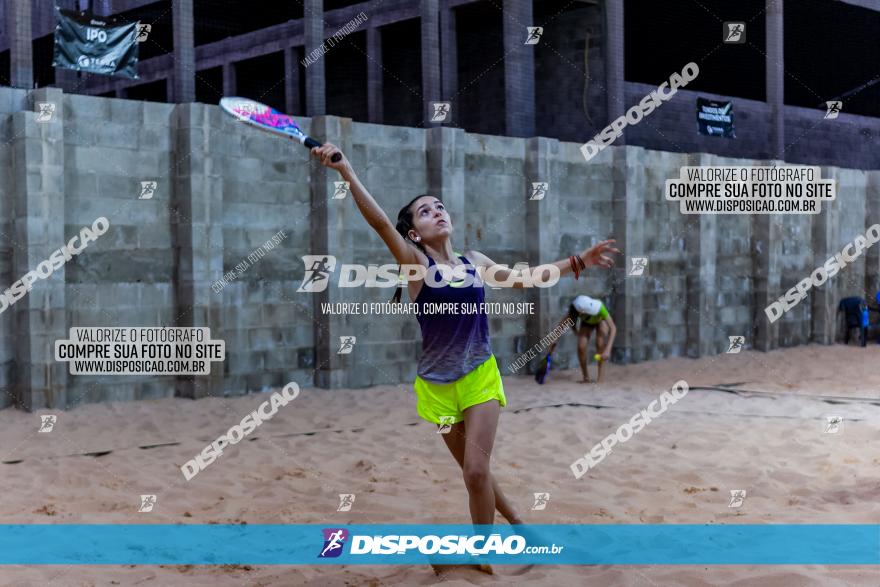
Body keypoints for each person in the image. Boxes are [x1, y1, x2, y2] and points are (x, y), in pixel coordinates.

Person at [311, 143, 618, 546]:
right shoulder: (417, 264)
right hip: (436, 390)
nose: (437, 211)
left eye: (439, 206)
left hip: (479, 376)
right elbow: (382, 223)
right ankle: (518, 524)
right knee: (477, 474)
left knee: (475, 471)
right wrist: (347, 173)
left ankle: (483, 553)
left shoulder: (475, 260)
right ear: (414, 233)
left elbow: (527, 278)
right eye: (425, 211)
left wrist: (577, 261)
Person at [548, 295, 616, 383]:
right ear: (580, 313)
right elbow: (559, 329)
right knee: (581, 345)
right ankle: (586, 378)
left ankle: (600, 378)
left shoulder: (600, 307)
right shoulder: (573, 312)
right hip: (587, 323)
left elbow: (613, 328)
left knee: (600, 342)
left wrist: (608, 350)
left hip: (600, 321)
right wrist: (553, 343)